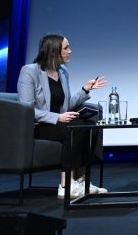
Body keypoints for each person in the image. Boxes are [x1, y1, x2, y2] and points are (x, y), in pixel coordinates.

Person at [18, 34, 108, 200]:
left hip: (59, 125)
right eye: (66, 48)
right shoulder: (29, 71)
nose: (70, 51)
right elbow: (27, 109)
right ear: (54, 51)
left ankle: (82, 181)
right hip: (39, 126)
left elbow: (66, 105)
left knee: (90, 126)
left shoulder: (63, 72)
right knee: (76, 128)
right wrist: (57, 118)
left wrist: (85, 90)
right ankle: (66, 185)